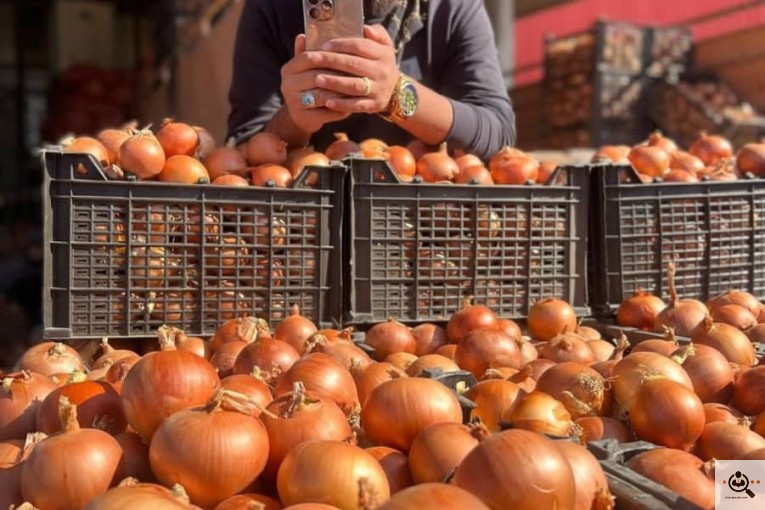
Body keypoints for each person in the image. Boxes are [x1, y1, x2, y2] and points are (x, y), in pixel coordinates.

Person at [228, 0, 515, 160]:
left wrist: (397, 95)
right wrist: (296, 119)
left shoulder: (453, 8)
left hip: (420, 225)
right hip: (305, 231)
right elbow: (243, 151)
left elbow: (498, 132)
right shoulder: (270, 8)